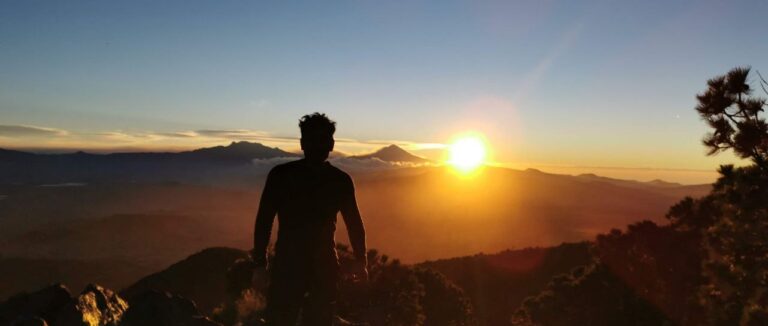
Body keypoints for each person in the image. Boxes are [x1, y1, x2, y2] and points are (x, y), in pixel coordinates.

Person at [252, 112, 368, 326]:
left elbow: (264, 221)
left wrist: (260, 263)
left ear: (301, 144)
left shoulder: (282, 175)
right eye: (315, 139)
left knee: (281, 318)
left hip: (290, 262)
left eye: (320, 139)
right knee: (317, 319)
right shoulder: (339, 180)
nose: (318, 145)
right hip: (321, 264)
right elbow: (354, 225)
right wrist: (360, 260)